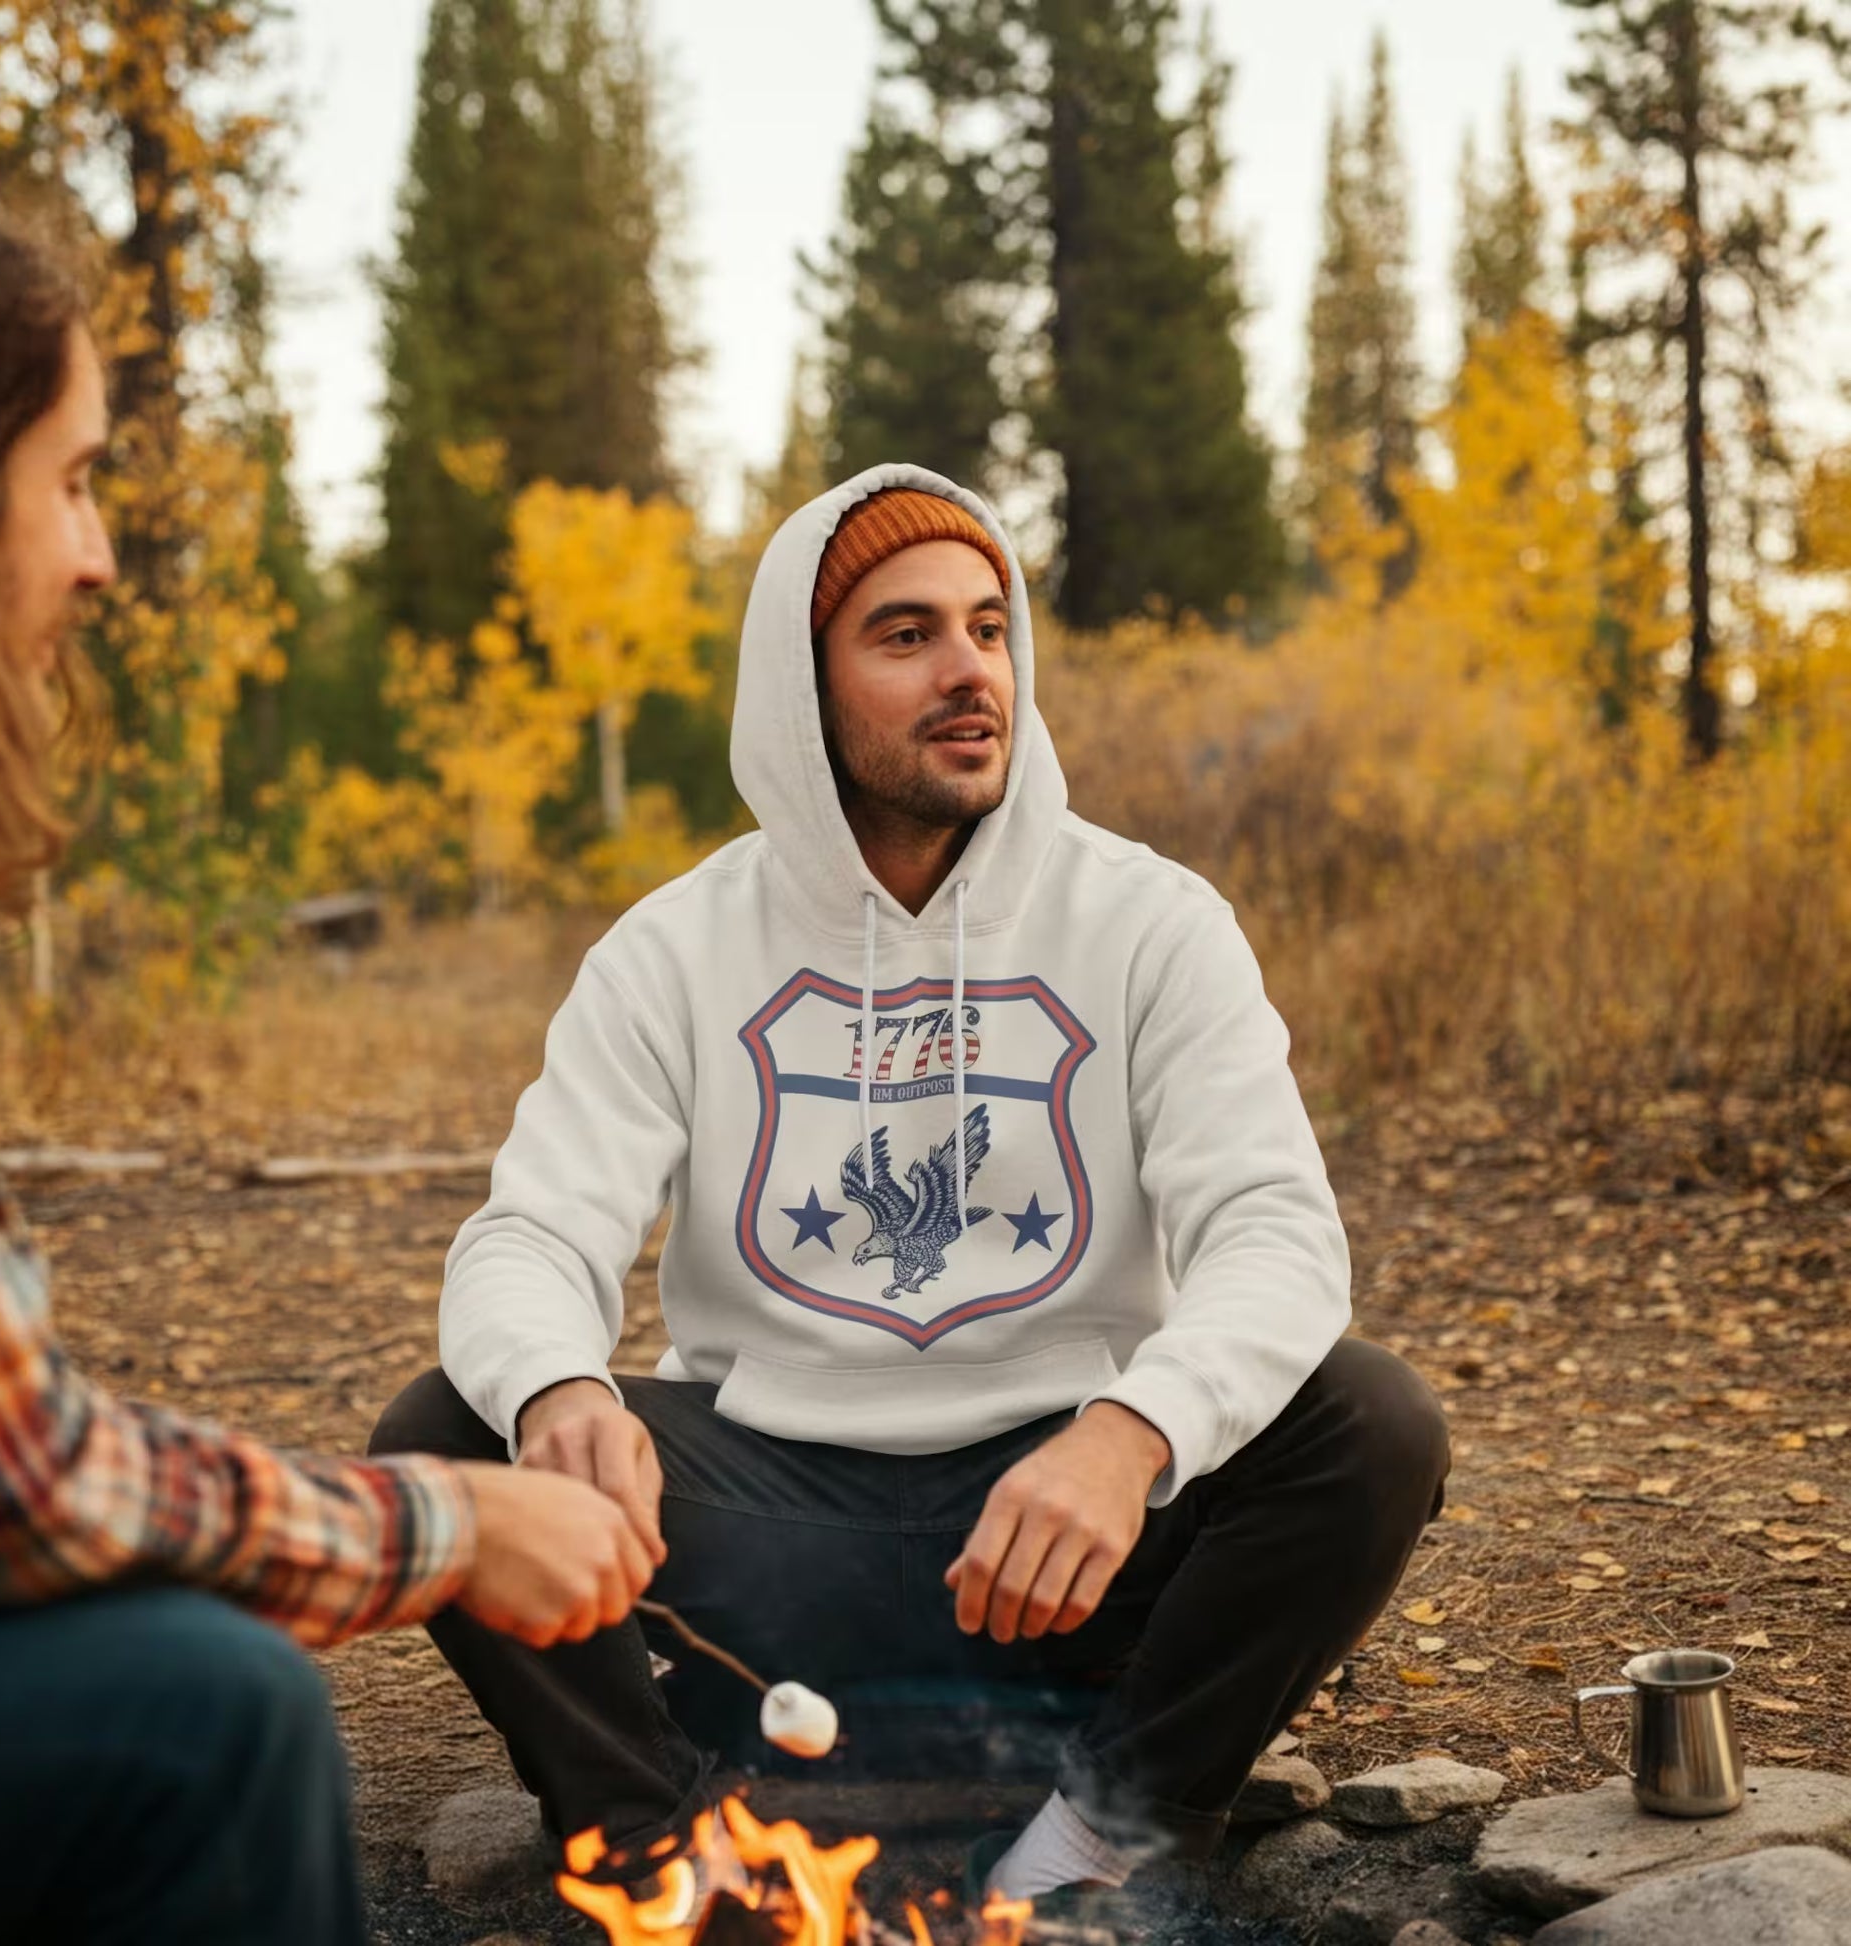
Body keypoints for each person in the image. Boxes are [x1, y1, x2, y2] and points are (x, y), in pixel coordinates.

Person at [373, 472, 1452, 1913]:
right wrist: (561, 1391)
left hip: (1061, 1540)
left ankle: (1093, 1850)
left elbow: (1274, 1234)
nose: (967, 670)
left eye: (989, 628)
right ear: (797, 687)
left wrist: (1128, 1434)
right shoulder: (674, 949)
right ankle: (663, 1866)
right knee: (452, 1426)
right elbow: (530, 1232)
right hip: (771, 1536)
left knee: (1366, 1421)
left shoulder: (1149, 924)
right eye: (904, 634)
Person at [0, 181, 658, 1946]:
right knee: (206, 1711)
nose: (97, 553)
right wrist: (454, 1510)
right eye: (73, 478)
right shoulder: (678, 941)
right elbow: (13, 1486)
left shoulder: (1133, 926)